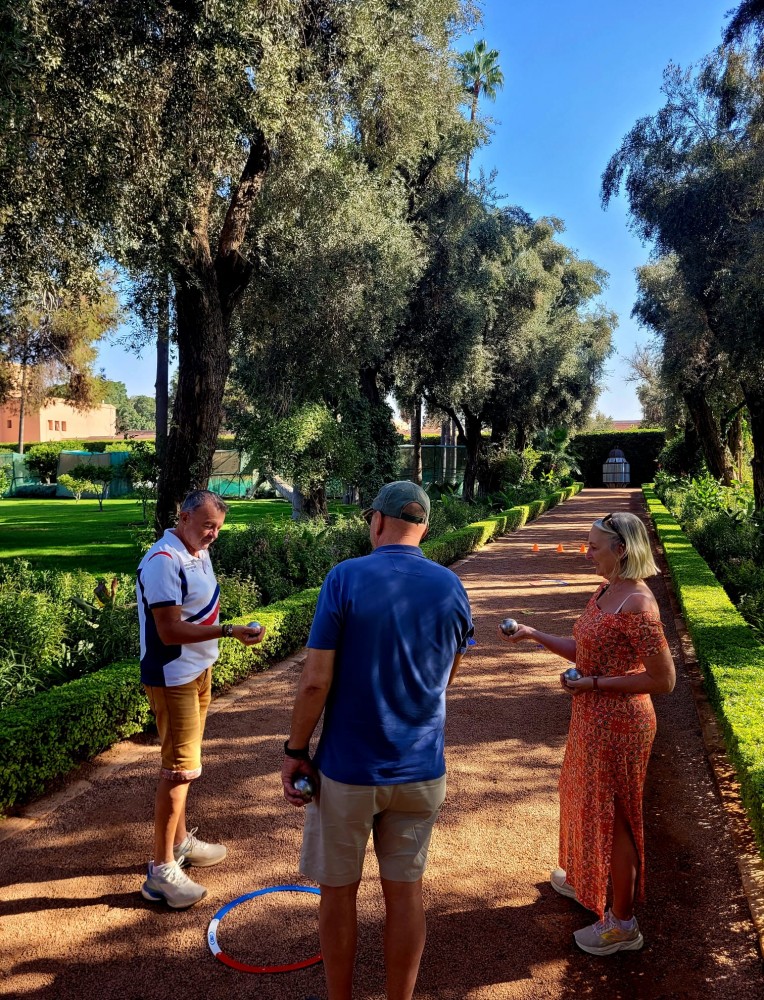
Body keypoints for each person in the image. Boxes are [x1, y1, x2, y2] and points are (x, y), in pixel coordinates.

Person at [282, 481, 473, 1000]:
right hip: (421, 768)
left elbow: (316, 681)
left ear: (377, 521)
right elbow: (447, 674)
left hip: (349, 770)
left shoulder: (345, 577)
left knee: (339, 895)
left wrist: (296, 751)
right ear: (425, 528)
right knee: (406, 894)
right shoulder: (450, 586)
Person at [500, 510, 675, 956]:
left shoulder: (638, 603)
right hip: (593, 719)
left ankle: (622, 924)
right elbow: (587, 650)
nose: (588, 552)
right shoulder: (608, 590)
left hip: (622, 725)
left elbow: (663, 680)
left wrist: (593, 684)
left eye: (594, 546)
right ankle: (585, 881)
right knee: (584, 800)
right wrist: (534, 634)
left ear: (621, 550)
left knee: (615, 819)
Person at [137, 489, 265, 909]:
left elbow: (195, 613)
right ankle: (160, 872)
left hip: (197, 672)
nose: (213, 535)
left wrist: (229, 635)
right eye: (208, 525)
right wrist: (228, 631)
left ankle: (178, 845)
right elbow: (169, 631)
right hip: (174, 676)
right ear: (183, 515)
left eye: (218, 529)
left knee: (186, 768)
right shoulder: (163, 561)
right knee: (179, 770)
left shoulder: (195, 552)